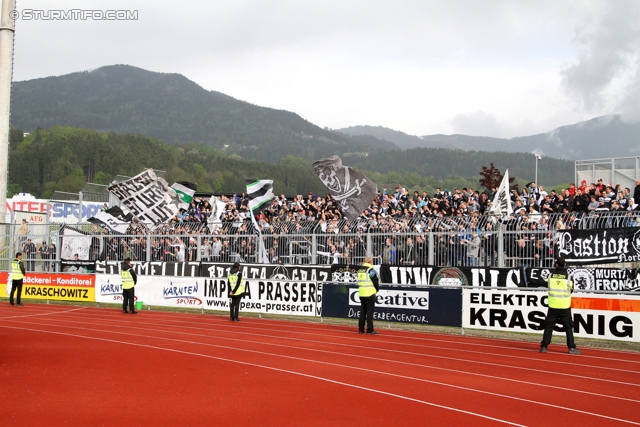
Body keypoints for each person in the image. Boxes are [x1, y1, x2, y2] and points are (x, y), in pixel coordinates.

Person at [540, 257, 581, 355]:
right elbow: (571, 289)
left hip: (553, 305)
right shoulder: (569, 277)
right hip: (564, 306)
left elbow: (546, 284)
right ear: (565, 264)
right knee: (568, 327)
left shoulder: (550, 276)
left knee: (549, 327)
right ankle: (571, 347)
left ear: (556, 264)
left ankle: (544, 346)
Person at [357, 257, 380, 334]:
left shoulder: (360, 270)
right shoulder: (371, 270)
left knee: (363, 312)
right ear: (370, 262)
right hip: (370, 293)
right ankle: (370, 329)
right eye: (372, 262)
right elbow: (376, 282)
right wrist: (377, 290)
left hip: (361, 293)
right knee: (370, 312)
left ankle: (361, 329)